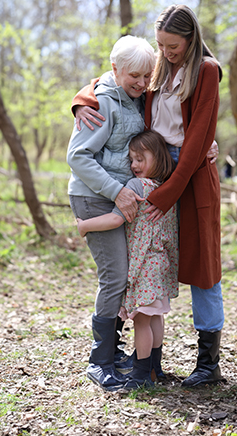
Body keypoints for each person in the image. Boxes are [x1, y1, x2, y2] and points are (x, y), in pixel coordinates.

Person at [73, 4, 225, 388]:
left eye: (172, 46)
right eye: (161, 45)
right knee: (140, 263)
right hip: (154, 167)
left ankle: (207, 363)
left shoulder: (205, 70)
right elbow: (117, 77)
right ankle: (131, 358)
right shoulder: (157, 67)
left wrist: (169, 192)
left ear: (190, 41)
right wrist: (82, 100)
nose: (166, 53)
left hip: (188, 171)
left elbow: (197, 135)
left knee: (202, 268)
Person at [67, 35, 156, 392]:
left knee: (126, 274)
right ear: (115, 69)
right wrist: (118, 192)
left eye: (147, 76)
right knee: (115, 276)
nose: (142, 82)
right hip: (95, 198)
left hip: (120, 199)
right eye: (134, 75)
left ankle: (114, 353)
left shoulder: (134, 98)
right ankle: (100, 361)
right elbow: (77, 156)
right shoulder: (102, 103)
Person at [77, 130, 178, 389]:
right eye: (131, 159)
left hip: (145, 265)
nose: (134, 165)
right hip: (161, 264)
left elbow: (116, 218)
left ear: (158, 157)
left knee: (142, 321)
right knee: (155, 317)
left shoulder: (136, 187)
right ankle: (155, 368)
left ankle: (141, 374)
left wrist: (84, 225)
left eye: (140, 158)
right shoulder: (168, 189)